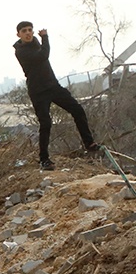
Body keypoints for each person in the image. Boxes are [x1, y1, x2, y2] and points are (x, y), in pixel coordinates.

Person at [14, 21, 100, 170]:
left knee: (77, 109)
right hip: (38, 92)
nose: (28, 33)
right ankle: (44, 159)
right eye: (24, 31)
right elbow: (43, 56)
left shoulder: (35, 42)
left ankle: (89, 143)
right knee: (46, 123)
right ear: (19, 34)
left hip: (53, 86)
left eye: (30, 30)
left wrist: (41, 40)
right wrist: (45, 38)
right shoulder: (21, 51)